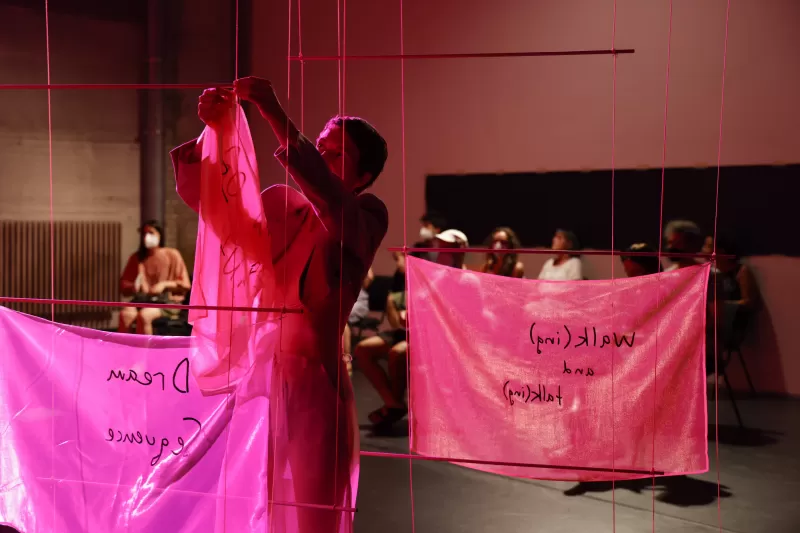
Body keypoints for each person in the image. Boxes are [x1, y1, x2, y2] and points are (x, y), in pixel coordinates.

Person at [171, 77, 389, 532]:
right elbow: (221, 216)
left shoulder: (366, 214)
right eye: (321, 146)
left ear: (363, 176)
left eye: (336, 154)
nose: (322, 156)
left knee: (314, 506)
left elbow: (331, 200)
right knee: (263, 500)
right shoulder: (283, 207)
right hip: (266, 375)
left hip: (317, 382)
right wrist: (212, 132)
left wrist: (272, 111)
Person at [118, 220, 191, 334]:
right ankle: (125, 350)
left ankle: (145, 351)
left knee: (144, 316)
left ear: (160, 235)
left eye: (151, 233)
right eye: (144, 233)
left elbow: (185, 285)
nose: (147, 237)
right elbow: (124, 286)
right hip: (142, 300)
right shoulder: (137, 258)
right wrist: (134, 287)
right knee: (125, 315)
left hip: (167, 302)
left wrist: (164, 284)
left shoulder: (172, 254)